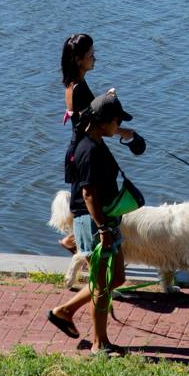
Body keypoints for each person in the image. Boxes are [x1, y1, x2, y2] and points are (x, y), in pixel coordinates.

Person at [47, 90, 134, 356]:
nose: (119, 126)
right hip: (94, 223)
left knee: (115, 278)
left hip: (106, 219)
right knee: (101, 284)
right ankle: (100, 344)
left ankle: (65, 311)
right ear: (104, 121)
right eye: (117, 121)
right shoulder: (88, 150)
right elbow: (88, 194)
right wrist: (103, 228)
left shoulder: (95, 140)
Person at [57, 34, 140, 251]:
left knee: (87, 203)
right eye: (91, 55)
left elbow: (91, 116)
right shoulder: (78, 88)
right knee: (92, 200)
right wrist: (123, 131)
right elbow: (92, 124)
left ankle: (76, 243)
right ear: (78, 60)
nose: (95, 58)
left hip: (80, 148)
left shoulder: (75, 83)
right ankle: (84, 244)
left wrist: (104, 101)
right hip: (86, 152)